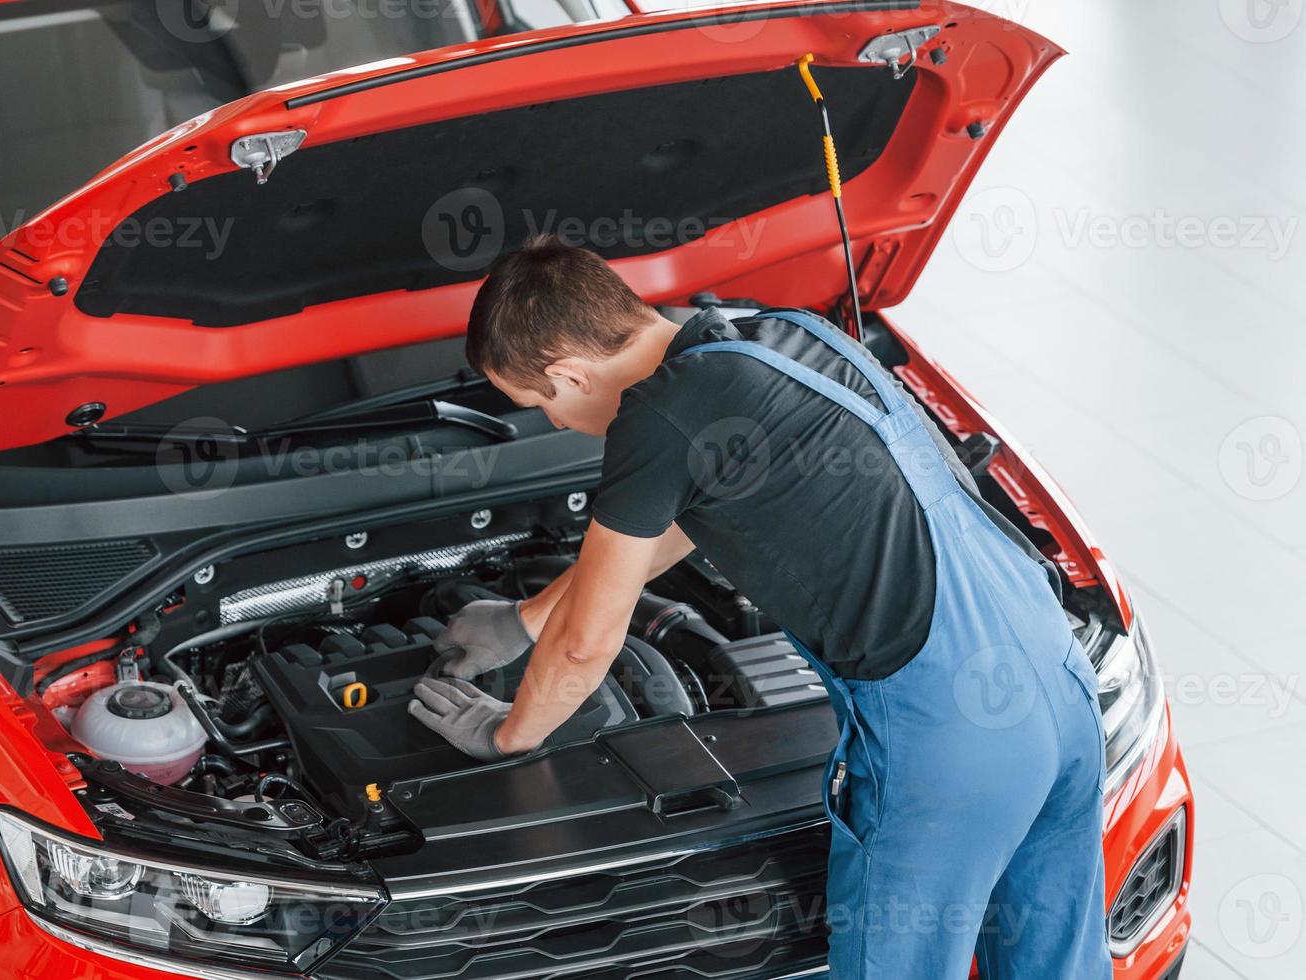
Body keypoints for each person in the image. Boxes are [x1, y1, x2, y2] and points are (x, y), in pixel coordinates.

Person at [406, 236, 1112, 979]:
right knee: (1055, 966)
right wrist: (525, 619)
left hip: (951, 734)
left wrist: (509, 734)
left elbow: (587, 649)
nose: (553, 424)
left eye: (538, 404)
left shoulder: (657, 415)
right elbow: (681, 524)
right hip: (1055, 677)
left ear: (569, 373)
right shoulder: (780, 331)